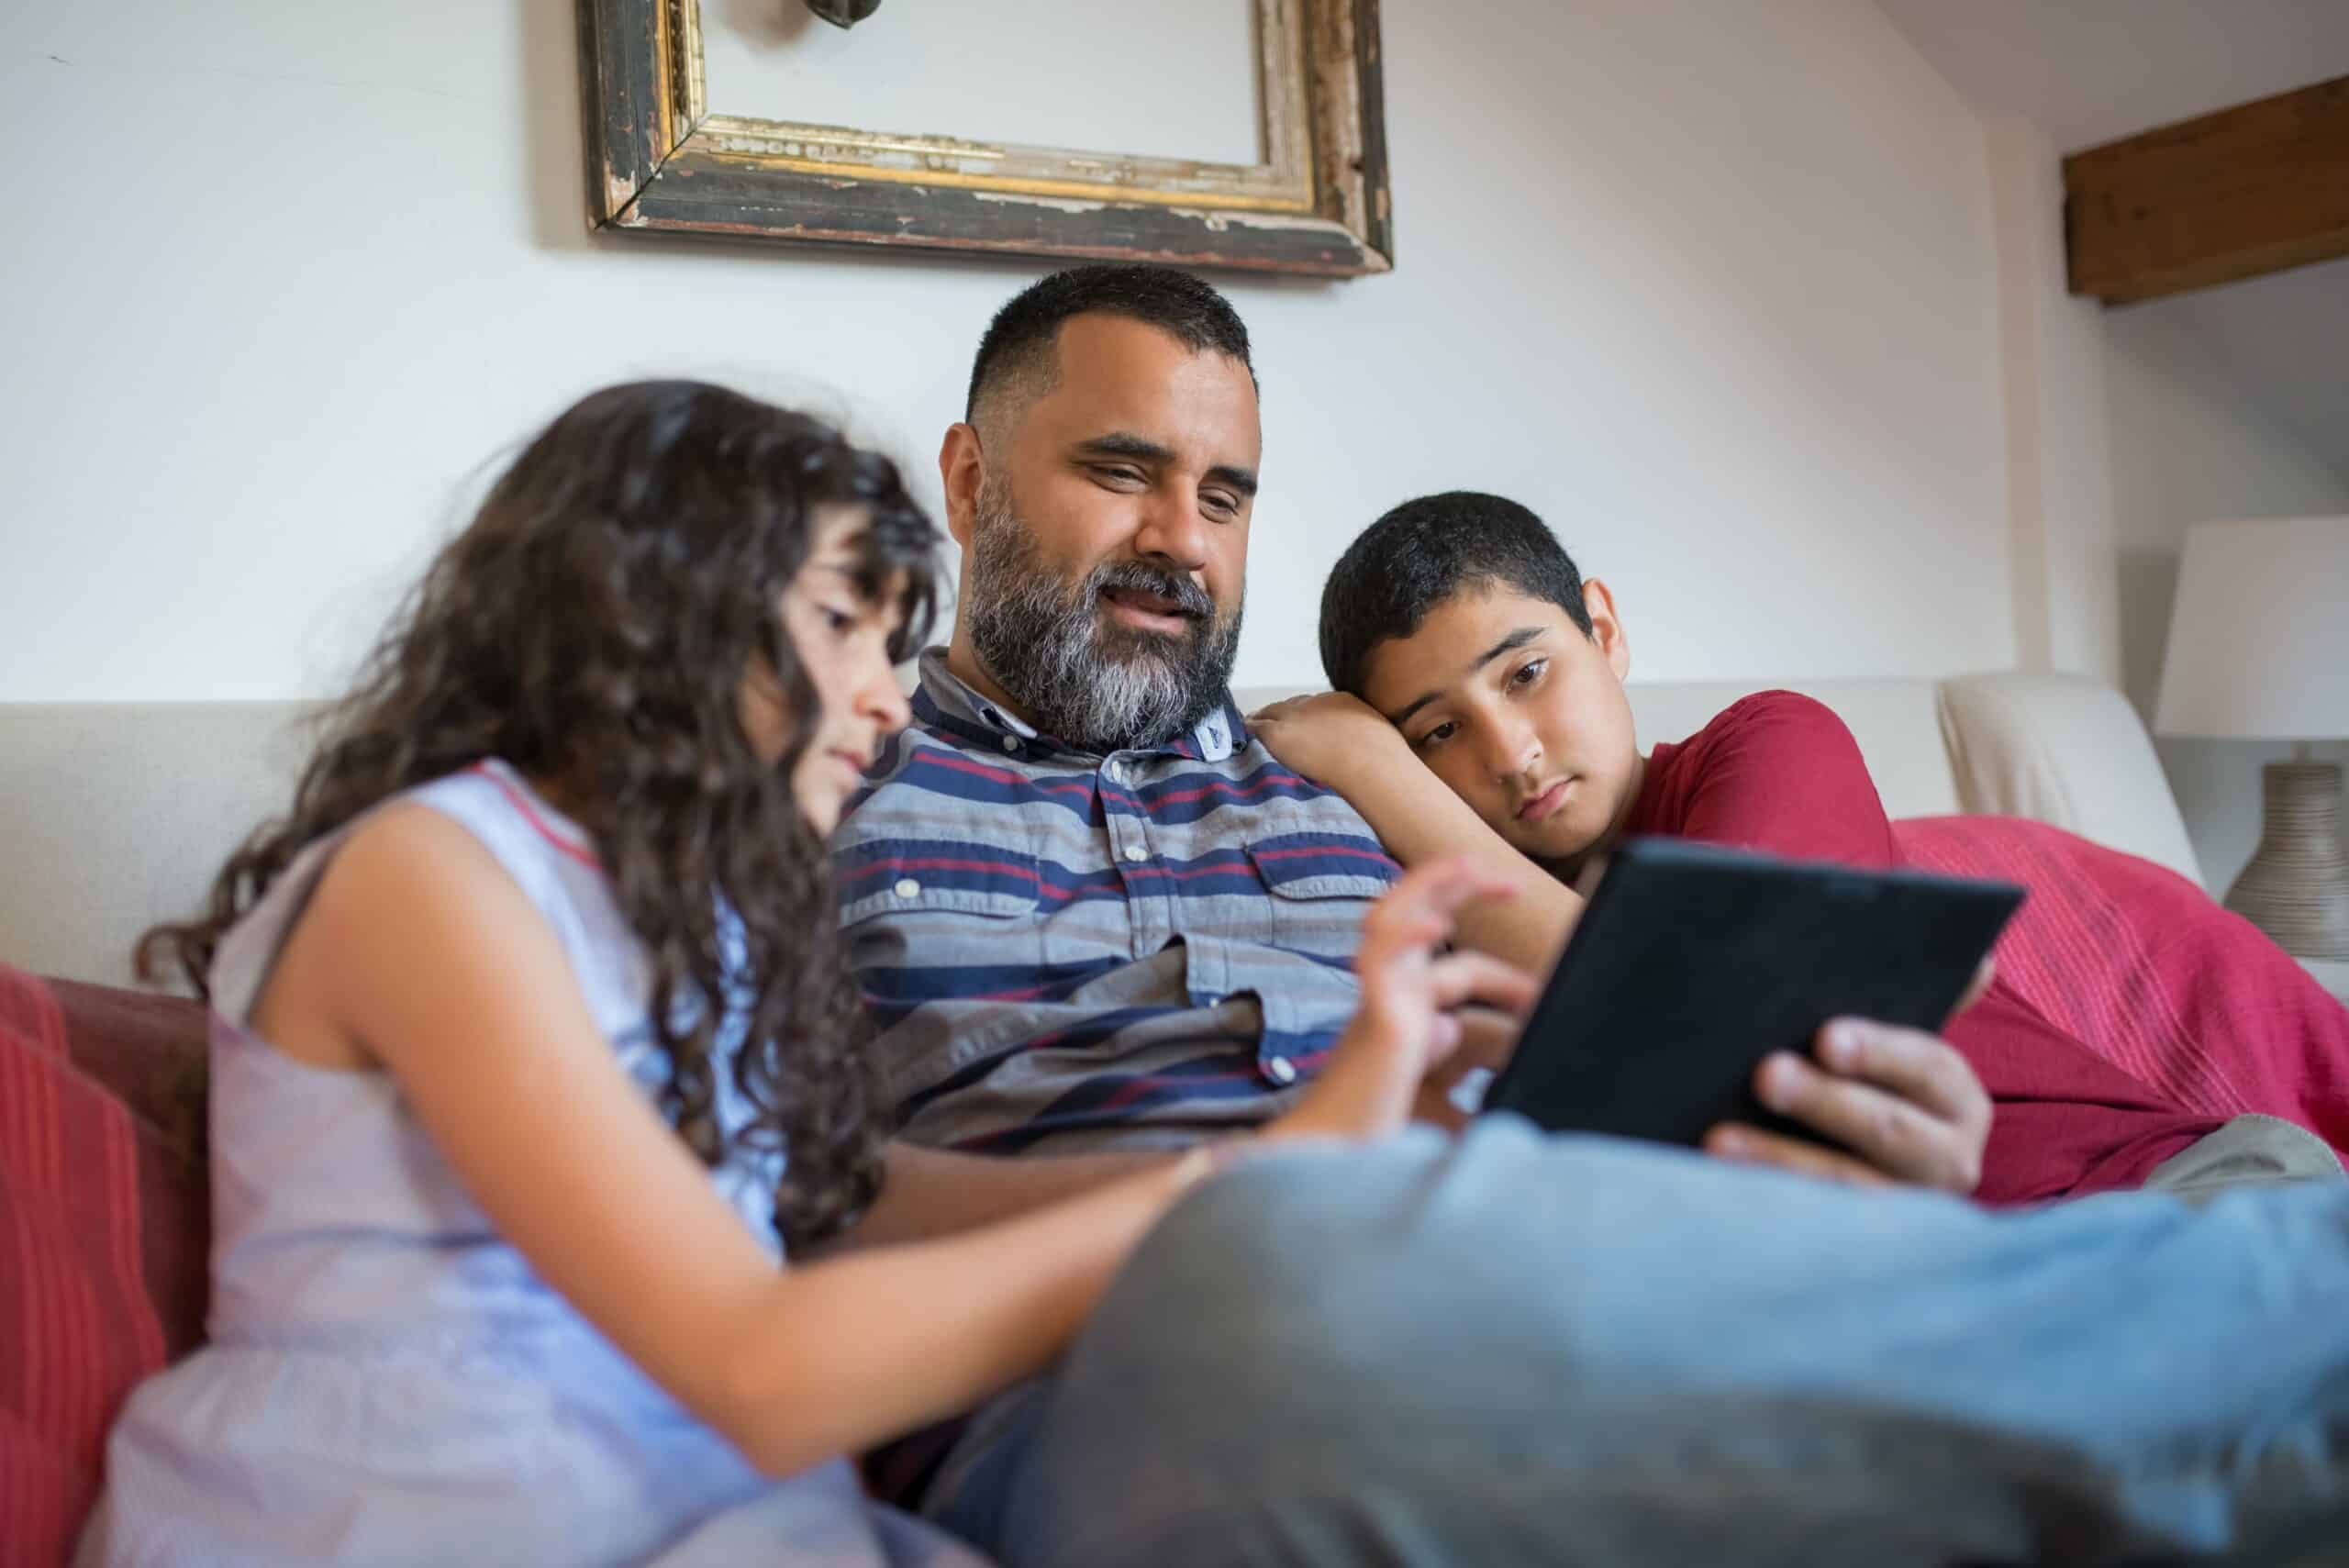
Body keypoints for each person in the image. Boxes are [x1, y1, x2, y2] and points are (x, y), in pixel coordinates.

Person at [74, 381, 1531, 1566]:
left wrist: (1319, 1153)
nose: (893, 699)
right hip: (433, 1505)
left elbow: (843, 1200)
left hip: (696, 1500)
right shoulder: (430, 878)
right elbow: (760, 1371)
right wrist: (1233, 1196)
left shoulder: (692, 912)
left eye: (897, 642)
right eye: (845, 627)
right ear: (655, 614)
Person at [827, 264, 2154, 1536]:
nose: (1181, 538)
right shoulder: (819, 781)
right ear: (969, 478)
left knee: (2230, 1286)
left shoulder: (1347, 783)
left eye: (1225, 496)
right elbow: (773, 1185)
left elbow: (1591, 1060)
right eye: (1121, 472)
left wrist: (1817, 1171)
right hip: (1128, 1358)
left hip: (1516, 1291)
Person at [1253, 489, 2347, 1194]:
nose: (1511, 752)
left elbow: (1696, 1003)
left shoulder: (1769, 744)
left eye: (1527, 671)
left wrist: (1376, 764)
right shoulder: (1439, 927)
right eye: (1438, 731)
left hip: (2167, 1196)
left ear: (1604, 626)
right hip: (1918, 1309)